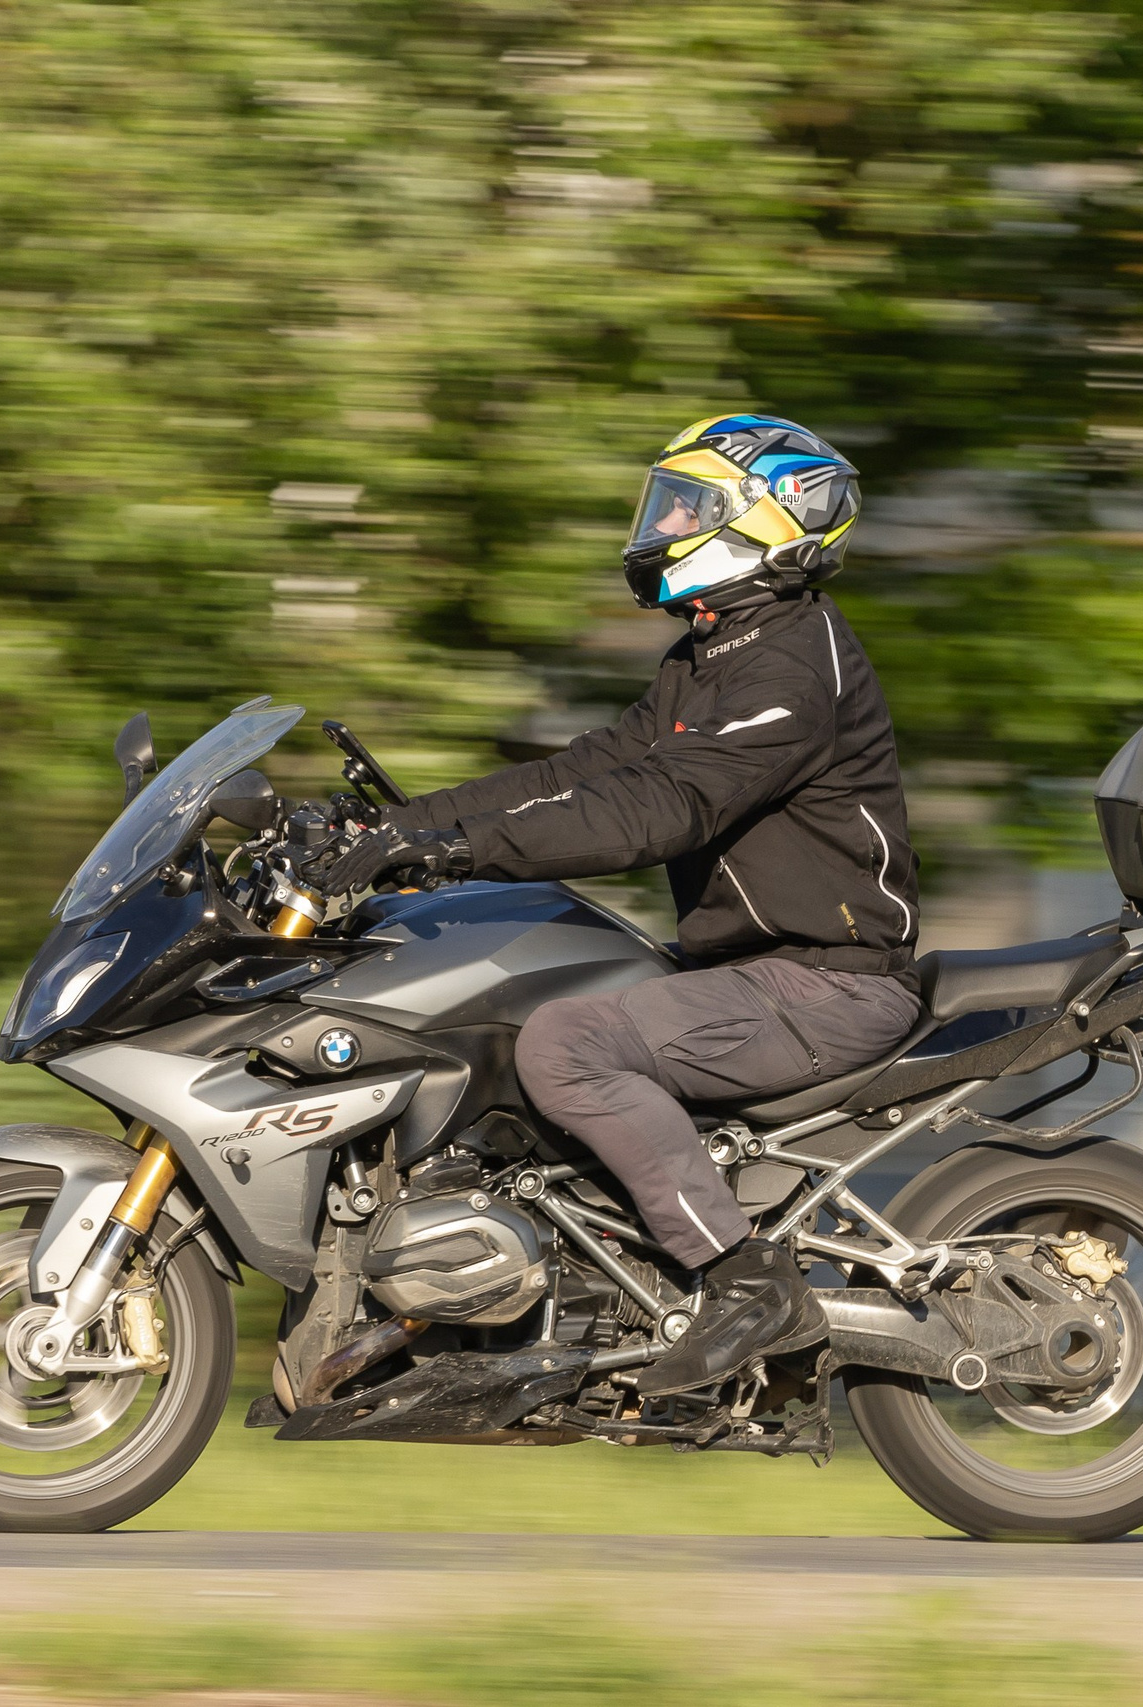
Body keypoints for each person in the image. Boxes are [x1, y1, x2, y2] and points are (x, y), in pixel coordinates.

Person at [312, 414, 922, 1396]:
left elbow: (658, 809)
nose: (663, 521)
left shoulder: (793, 660)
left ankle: (750, 1285)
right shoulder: (708, 655)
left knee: (568, 1046)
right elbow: (585, 771)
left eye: (686, 504)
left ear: (763, 518)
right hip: (746, 973)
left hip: (827, 982)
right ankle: (467, 1315)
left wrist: (451, 852)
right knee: (494, 1040)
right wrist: (397, 831)